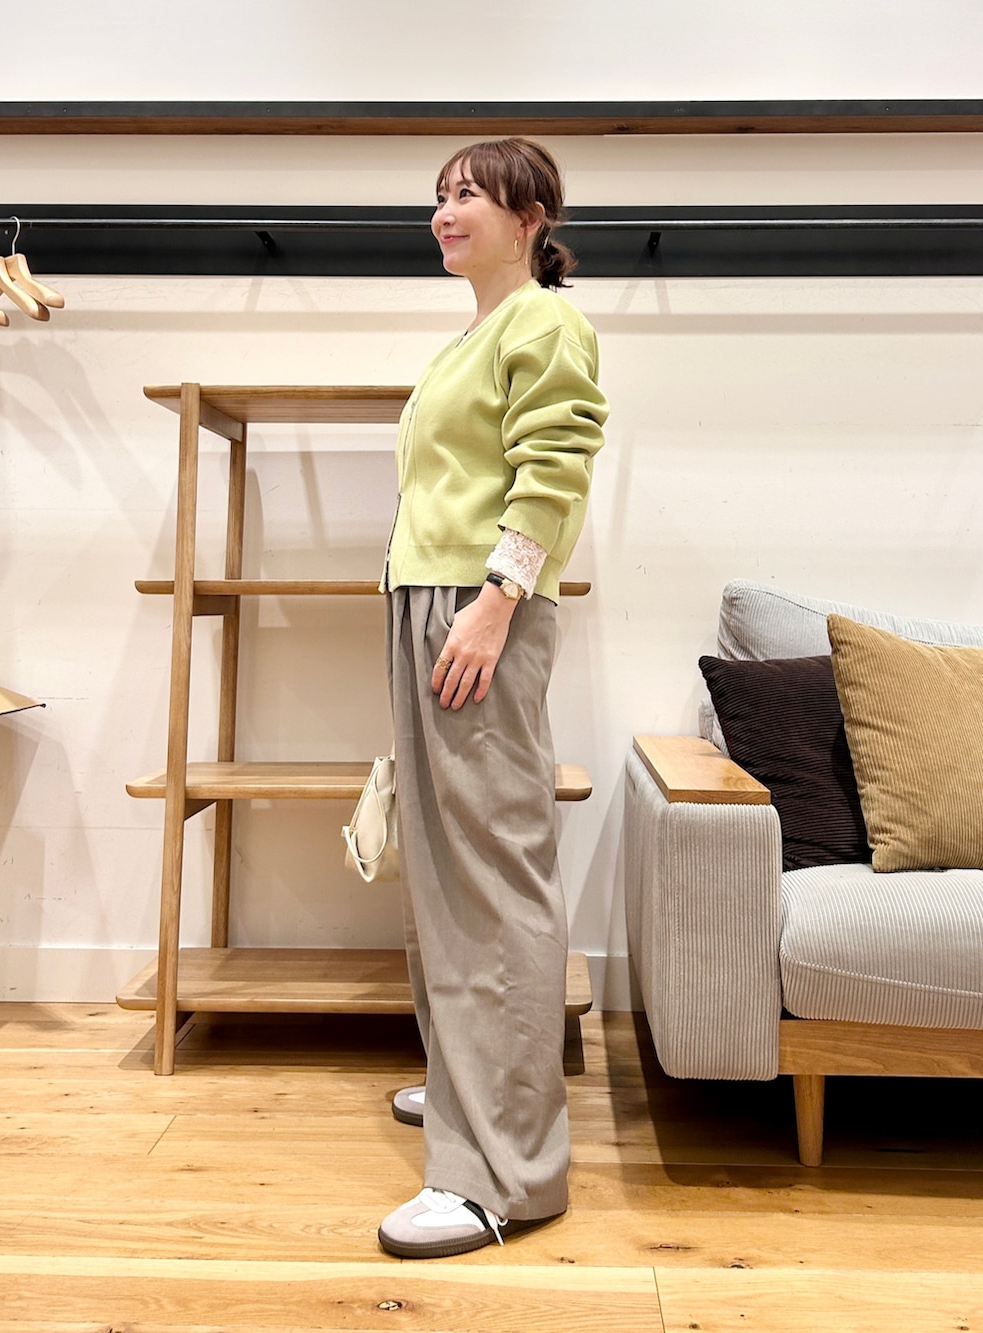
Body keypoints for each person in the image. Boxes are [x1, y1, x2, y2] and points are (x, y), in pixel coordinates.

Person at [377, 137, 609, 1260]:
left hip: (477, 611)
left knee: (493, 871)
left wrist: (496, 600)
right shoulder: (470, 337)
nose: (444, 211)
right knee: (443, 867)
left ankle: (503, 1172)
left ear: (531, 217)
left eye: (467, 193)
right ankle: (473, 1081)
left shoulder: (545, 322)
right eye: (438, 195)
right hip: (433, 602)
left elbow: (555, 463)